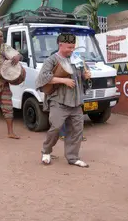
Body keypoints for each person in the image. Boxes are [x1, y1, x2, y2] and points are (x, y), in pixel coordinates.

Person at [35, 33, 91, 168]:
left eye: (73, 47)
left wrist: (86, 76)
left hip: (76, 101)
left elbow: (82, 77)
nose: (72, 50)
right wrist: (63, 80)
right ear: (60, 45)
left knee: (77, 130)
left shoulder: (76, 59)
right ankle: (46, 151)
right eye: (69, 47)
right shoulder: (52, 60)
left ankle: (73, 157)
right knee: (56, 127)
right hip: (58, 100)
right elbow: (42, 78)